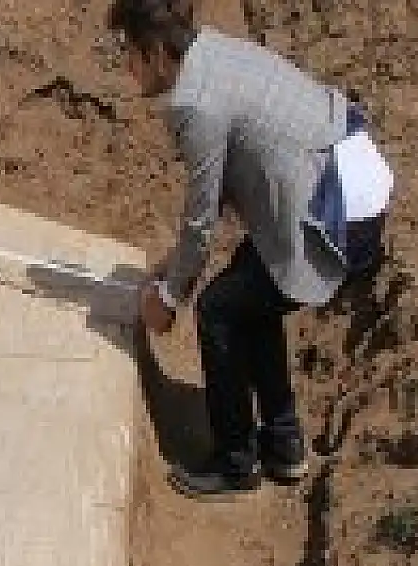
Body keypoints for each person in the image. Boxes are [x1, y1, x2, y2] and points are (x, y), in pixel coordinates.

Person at [106, 0, 394, 497]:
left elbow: (202, 216)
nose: (126, 68)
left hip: (337, 212)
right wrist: (176, 265)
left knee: (219, 309)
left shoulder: (195, 103)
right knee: (252, 295)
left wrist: (169, 297)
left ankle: (235, 463)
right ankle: (284, 446)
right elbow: (216, 196)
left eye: (129, 54)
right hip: (349, 178)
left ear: (155, 53)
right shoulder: (215, 51)